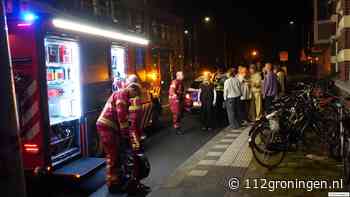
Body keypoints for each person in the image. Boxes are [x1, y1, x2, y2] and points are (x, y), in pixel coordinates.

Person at [96, 75, 150, 195]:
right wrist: (126, 135)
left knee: (117, 155)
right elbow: (122, 117)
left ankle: (117, 180)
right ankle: (112, 184)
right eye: (135, 94)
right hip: (107, 128)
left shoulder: (123, 94)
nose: (134, 97)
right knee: (113, 156)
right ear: (133, 89)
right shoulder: (122, 94)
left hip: (110, 128)